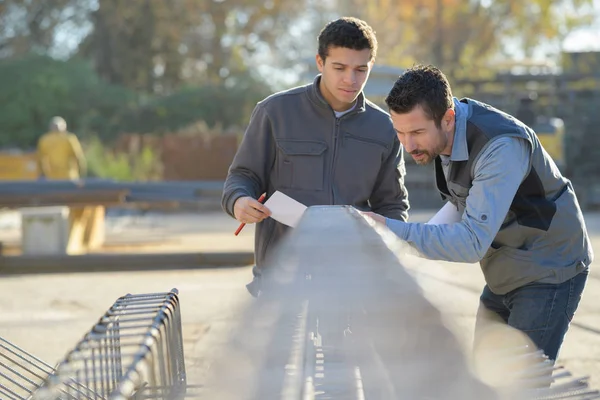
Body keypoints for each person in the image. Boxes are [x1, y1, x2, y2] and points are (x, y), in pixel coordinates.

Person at [365, 65, 592, 362]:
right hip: (504, 269)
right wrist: (398, 251)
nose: (408, 145)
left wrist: (391, 231)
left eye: (417, 132)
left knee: (519, 385)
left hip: (548, 269)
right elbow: (461, 204)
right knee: (485, 376)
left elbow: (472, 242)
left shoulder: (500, 147)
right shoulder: (443, 137)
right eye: (400, 132)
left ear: (447, 118)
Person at [222, 17, 410, 296]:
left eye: (361, 69)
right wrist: (239, 201)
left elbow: (392, 206)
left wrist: (386, 253)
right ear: (320, 62)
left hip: (352, 282)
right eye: (339, 68)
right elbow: (243, 176)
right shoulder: (274, 112)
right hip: (280, 278)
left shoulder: (385, 130)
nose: (351, 79)